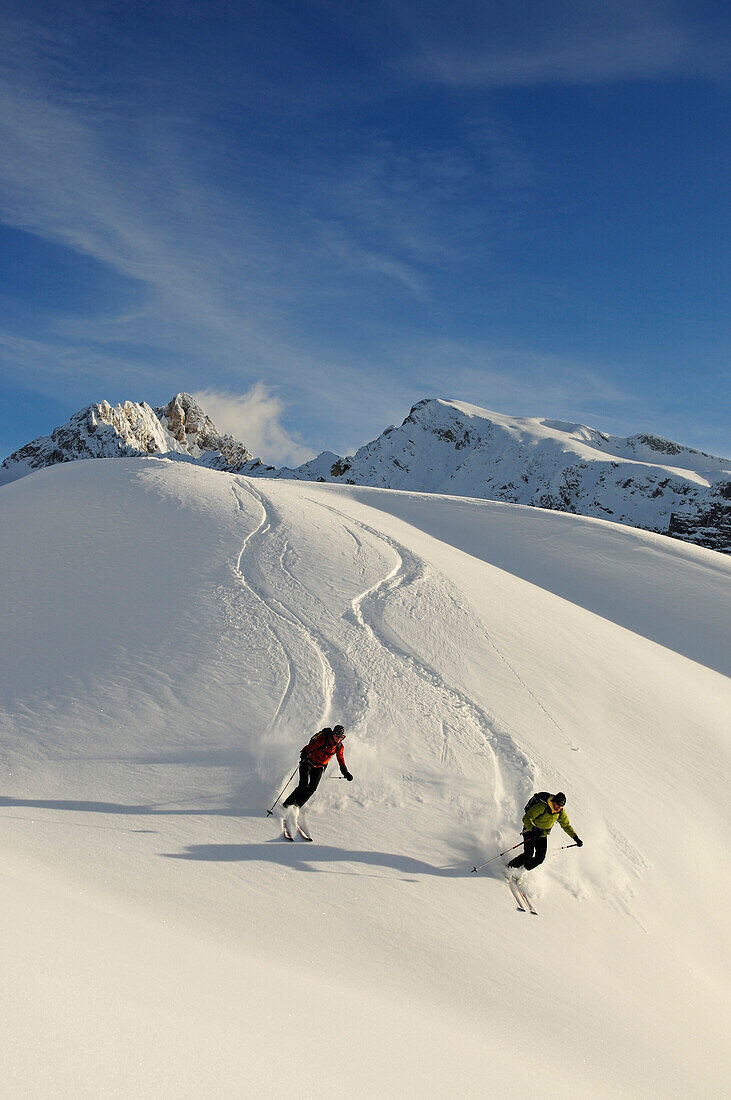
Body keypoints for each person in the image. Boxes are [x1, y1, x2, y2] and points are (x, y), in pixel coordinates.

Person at [282, 724, 352, 823]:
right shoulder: (324, 739)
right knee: (303, 785)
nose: (338, 739)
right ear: (333, 734)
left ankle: (297, 806)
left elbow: (340, 758)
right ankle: (286, 805)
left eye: (341, 737)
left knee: (312, 788)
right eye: (337, 736)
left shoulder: (339, 746)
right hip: (308, 762)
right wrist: (304, 753)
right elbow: (309, 747)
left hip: (319, 767)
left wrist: (345, 771)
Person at [508, 791, 582, 870]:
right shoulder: (542, 806)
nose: (559, 807)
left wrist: (576, 838)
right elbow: (526, 818)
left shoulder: (560, 812)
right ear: (554, 802)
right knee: (528, 854)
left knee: (540, 858)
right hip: (530, 831)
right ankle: (509, 868)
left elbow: (566, 825)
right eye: (558, 805)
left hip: (542, 834)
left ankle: (521, 870)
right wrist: (533, 828)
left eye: (562, 806)